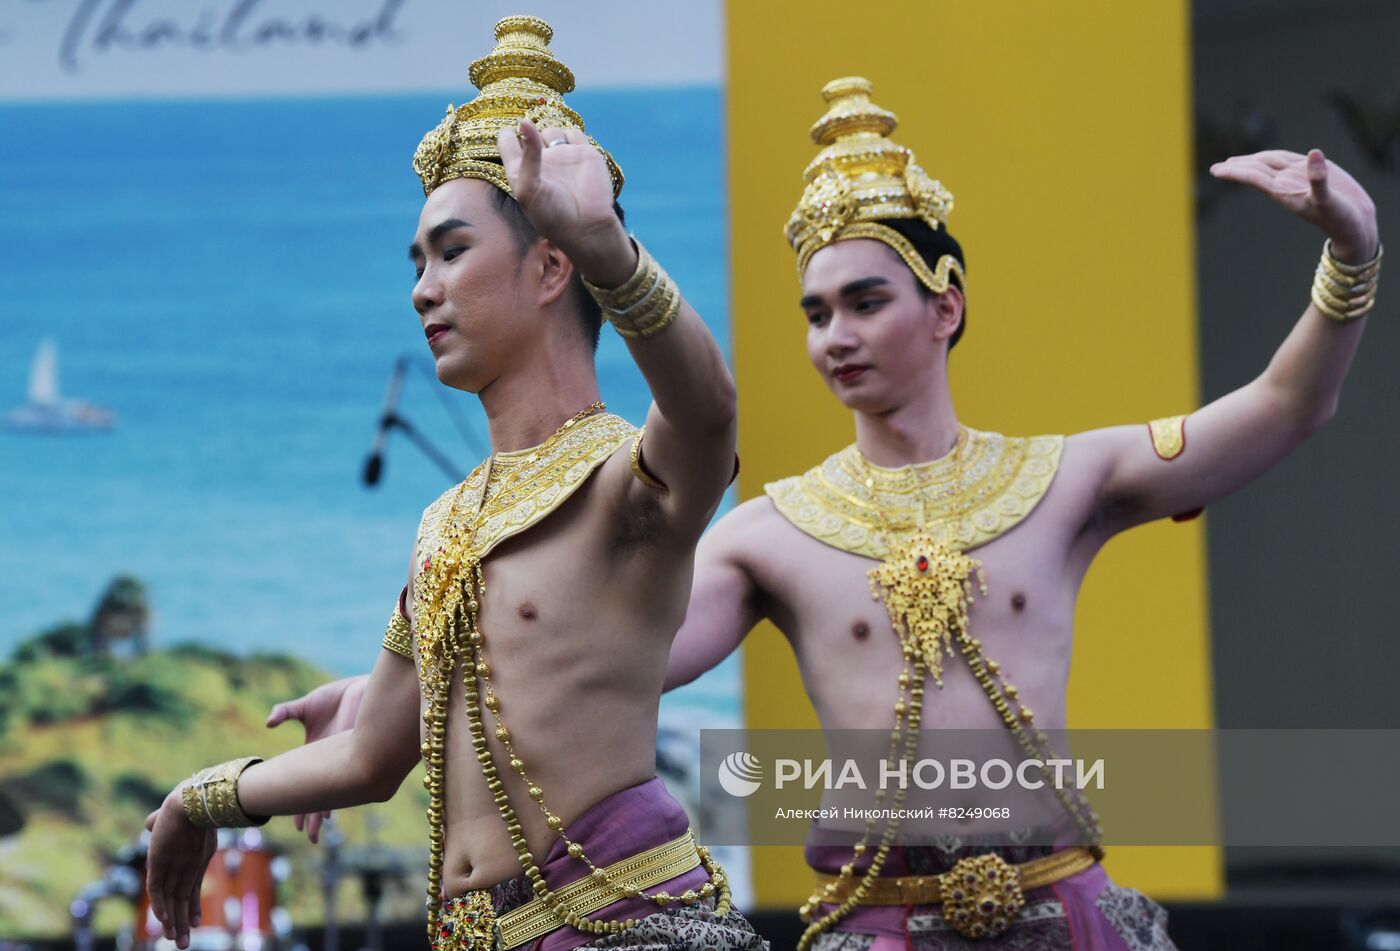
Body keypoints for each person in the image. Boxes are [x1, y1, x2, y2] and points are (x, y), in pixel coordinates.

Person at [278, 74, 1382, 950]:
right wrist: (399, 689)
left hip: (1062, 914)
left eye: (865, 301)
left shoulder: (1063, 481)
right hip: (873, 925)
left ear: (942, 305)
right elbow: (595, 655)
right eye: (812, 313)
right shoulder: (773, 531)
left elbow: (1286, 406)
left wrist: (1349, 255)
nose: (834, 337)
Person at [142, 17, 766, 951]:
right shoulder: (446, 522)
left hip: (624, 925)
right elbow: (368, 754)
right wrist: (202, 797)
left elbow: (708, 407)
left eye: (451, 251)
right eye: (417, 262)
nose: (422, 288)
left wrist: (605, 242)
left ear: (551, 265)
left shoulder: (623, 482)